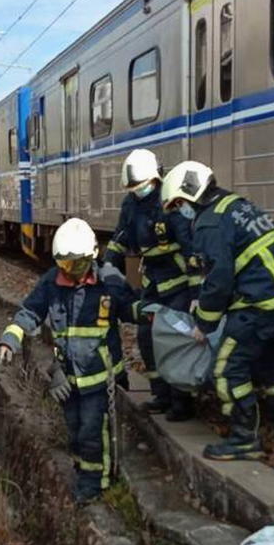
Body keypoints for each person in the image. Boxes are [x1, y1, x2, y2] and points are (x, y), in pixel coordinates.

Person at [160, 161, 274, 461]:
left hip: (267, 302)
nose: (180, 211)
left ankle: (244, 438)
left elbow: (218, 281)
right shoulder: (235, 205)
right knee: (272, 360)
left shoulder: (209, 223)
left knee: (228, 367)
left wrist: (203, 324)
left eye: (178, 204)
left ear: (189, 196)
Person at [0, 217, 142, 504]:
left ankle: (94, 484)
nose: (70, 272)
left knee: (91, 430)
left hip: (100, 379)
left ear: (92, 257)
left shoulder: (109, 282)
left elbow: (133, 310)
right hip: (67, 377)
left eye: (76, 265)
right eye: (64, 265)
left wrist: (155, 308)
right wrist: (9, 339)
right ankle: (82, 469)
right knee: (74, 429)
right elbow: (29, 313)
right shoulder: (52, 282)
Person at [103, 149, 199, 421]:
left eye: (142, 185)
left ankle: (183, 401)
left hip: (179, 283)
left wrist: (196, 293)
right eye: (133, 187)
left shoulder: (172, 203)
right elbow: (121, 237)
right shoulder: (131, 204)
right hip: (154, 284)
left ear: (155, 179)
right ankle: (161, 394)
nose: (138, 190)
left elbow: (190, 247)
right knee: (146, 336)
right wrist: (109, 262)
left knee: (175, 339)